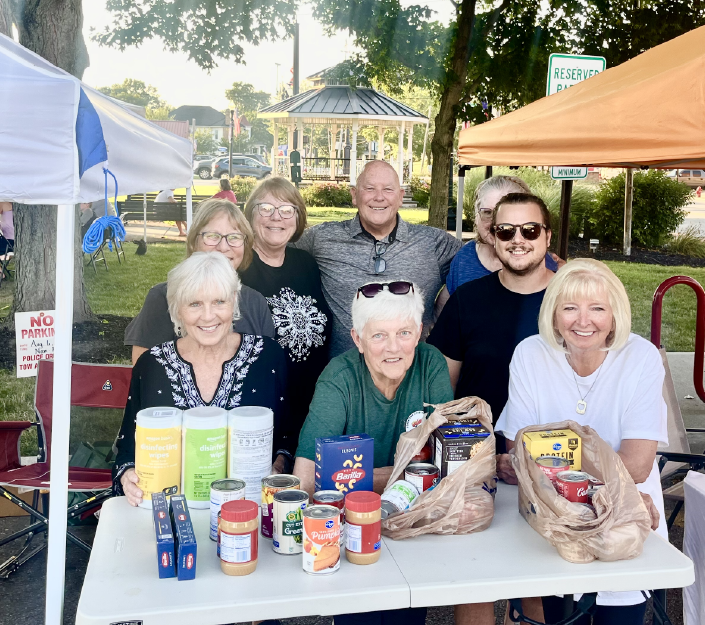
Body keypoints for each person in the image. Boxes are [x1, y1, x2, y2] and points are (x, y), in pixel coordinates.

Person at [114, 252, 291, 625]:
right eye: (194, 303)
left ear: (235, 304)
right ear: (177, 309)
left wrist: (278, 464)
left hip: (239, 517)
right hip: (168, 521)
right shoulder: (153, 365)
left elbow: (287, 433)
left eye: (219, 302)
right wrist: (127, 475)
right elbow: (126, 448)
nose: (208, 315)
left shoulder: (268, 357)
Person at [495, 259, 665, 625]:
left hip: (623, 520)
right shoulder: (530, 354)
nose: (583, 321)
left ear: (615, 315)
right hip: (554, 523)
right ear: (554, 314)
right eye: (570, 307)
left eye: (597, 308)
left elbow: (638, 465)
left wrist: (549, 466)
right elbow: (518, 450)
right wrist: (593, 471)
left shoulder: (641, 357)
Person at [427, 192, 557, 625]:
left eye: (529, 230)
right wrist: (470, 456)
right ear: (490, 235)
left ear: (547, 235)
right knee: (475, 578)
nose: (517, 240)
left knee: (539, 580)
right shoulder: (468, 300)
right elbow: (445, 391)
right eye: (506, 231)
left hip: (549, 463)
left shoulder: (568, 304)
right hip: (478, 460)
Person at [293, 281, 453, 625]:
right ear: (358, 339)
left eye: (404, 333)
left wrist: (352, 476)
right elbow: (306, 479)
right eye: (379, 335)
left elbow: (449, 464)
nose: (394, 347)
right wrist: (405, 473)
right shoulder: (340, 376)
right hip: (349, 526)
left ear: (419, 334)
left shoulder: (430, 364)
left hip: (413, 524)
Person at [292, 160, 460, 356]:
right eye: (369, 188)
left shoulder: (434, 243)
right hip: (344, 378)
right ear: (354, 195)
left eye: (388, 189)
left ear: (400, 197)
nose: (379, 197)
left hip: (411, 376)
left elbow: (480, 259)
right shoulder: (321, 239)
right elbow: (274, 255)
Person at [125, 200, 276, 363]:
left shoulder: (256, 302)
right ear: (194, 242)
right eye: (212, 236)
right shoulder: (163, 297)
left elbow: (267, 368)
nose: (224, 247)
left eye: (234, 237)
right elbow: (143, 371)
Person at [241, 177, 333, 430]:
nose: (276, 217)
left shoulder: (306, 263)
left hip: (312, 404)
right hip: (258, 405)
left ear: (297, 217)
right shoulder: (239, 267)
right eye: (266, 208)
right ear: (250, 215)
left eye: (286, 210)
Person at [436, 175, 560, 314]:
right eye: (488, 213)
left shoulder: (547, 266)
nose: (496, 223)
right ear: (476, 216)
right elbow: (443, 312)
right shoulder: (464, 258)